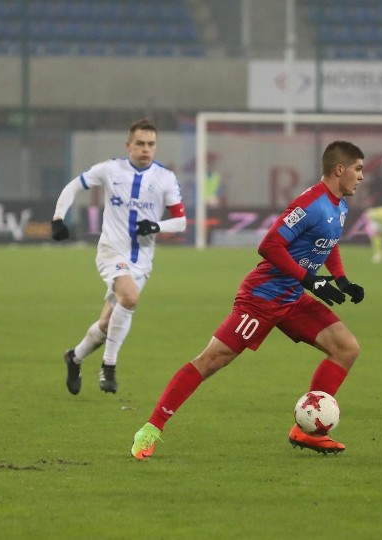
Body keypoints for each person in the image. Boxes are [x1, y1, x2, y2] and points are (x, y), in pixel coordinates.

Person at [131, 140, 367, 459]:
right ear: (340, 170)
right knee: (213, 359)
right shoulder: (311, 203)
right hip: (264, 297)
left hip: (292, 298)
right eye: (358, 169)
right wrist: (312, 280)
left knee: (346, 348)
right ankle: (151, 429)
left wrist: (341, 280)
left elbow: (329, 243)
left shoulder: (339, 206)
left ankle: (308, 429)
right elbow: (269, 246)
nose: (361, 176)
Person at [52, 118, 186, 395]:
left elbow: (181, 221)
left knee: (106, 324)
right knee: (130, 297)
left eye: (151, 144)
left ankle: (74, 357)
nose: (145, 149)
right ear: (128, 146)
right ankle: (109, 367)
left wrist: (156, 226)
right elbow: (73, 186)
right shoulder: (110, 169)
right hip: (111, 250)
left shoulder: (165, 178)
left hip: (142, 259)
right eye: (140, 144)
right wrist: (57, 218)